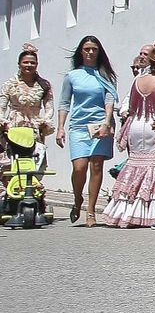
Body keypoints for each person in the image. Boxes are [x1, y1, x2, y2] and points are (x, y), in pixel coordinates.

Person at [101, 41, 155, 228]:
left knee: (134, 165)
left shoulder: (138, 80)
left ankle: (124, 208)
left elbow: (130, 106)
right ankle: (151, 210)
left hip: (136, 124)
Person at [56, 35, 119, 227]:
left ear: (99, 52)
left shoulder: (105, 75)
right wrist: (60, 128)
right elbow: (64, 102)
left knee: (97, 166)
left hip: (100, 124)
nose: (90, 52)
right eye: (87, 49)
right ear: (81, 52)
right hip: (78, 126)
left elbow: (110, 100)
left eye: (94, 49)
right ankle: (77, 199)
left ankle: (91, 211)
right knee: (79, 167)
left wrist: (107, 122)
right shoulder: (72, 76)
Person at [0, 45, 54, 174]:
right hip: (13, 126)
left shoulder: (44, 85)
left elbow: (49, 107)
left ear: (37, 64)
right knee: (10, 163)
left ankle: (31, 189)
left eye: (32, 62)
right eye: (25, 62)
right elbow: (1, 106)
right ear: (19, 64)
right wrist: (3, 122)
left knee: (33, 160)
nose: (29, 65)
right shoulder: (9, 84)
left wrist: (45, 121)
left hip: (34, 127)